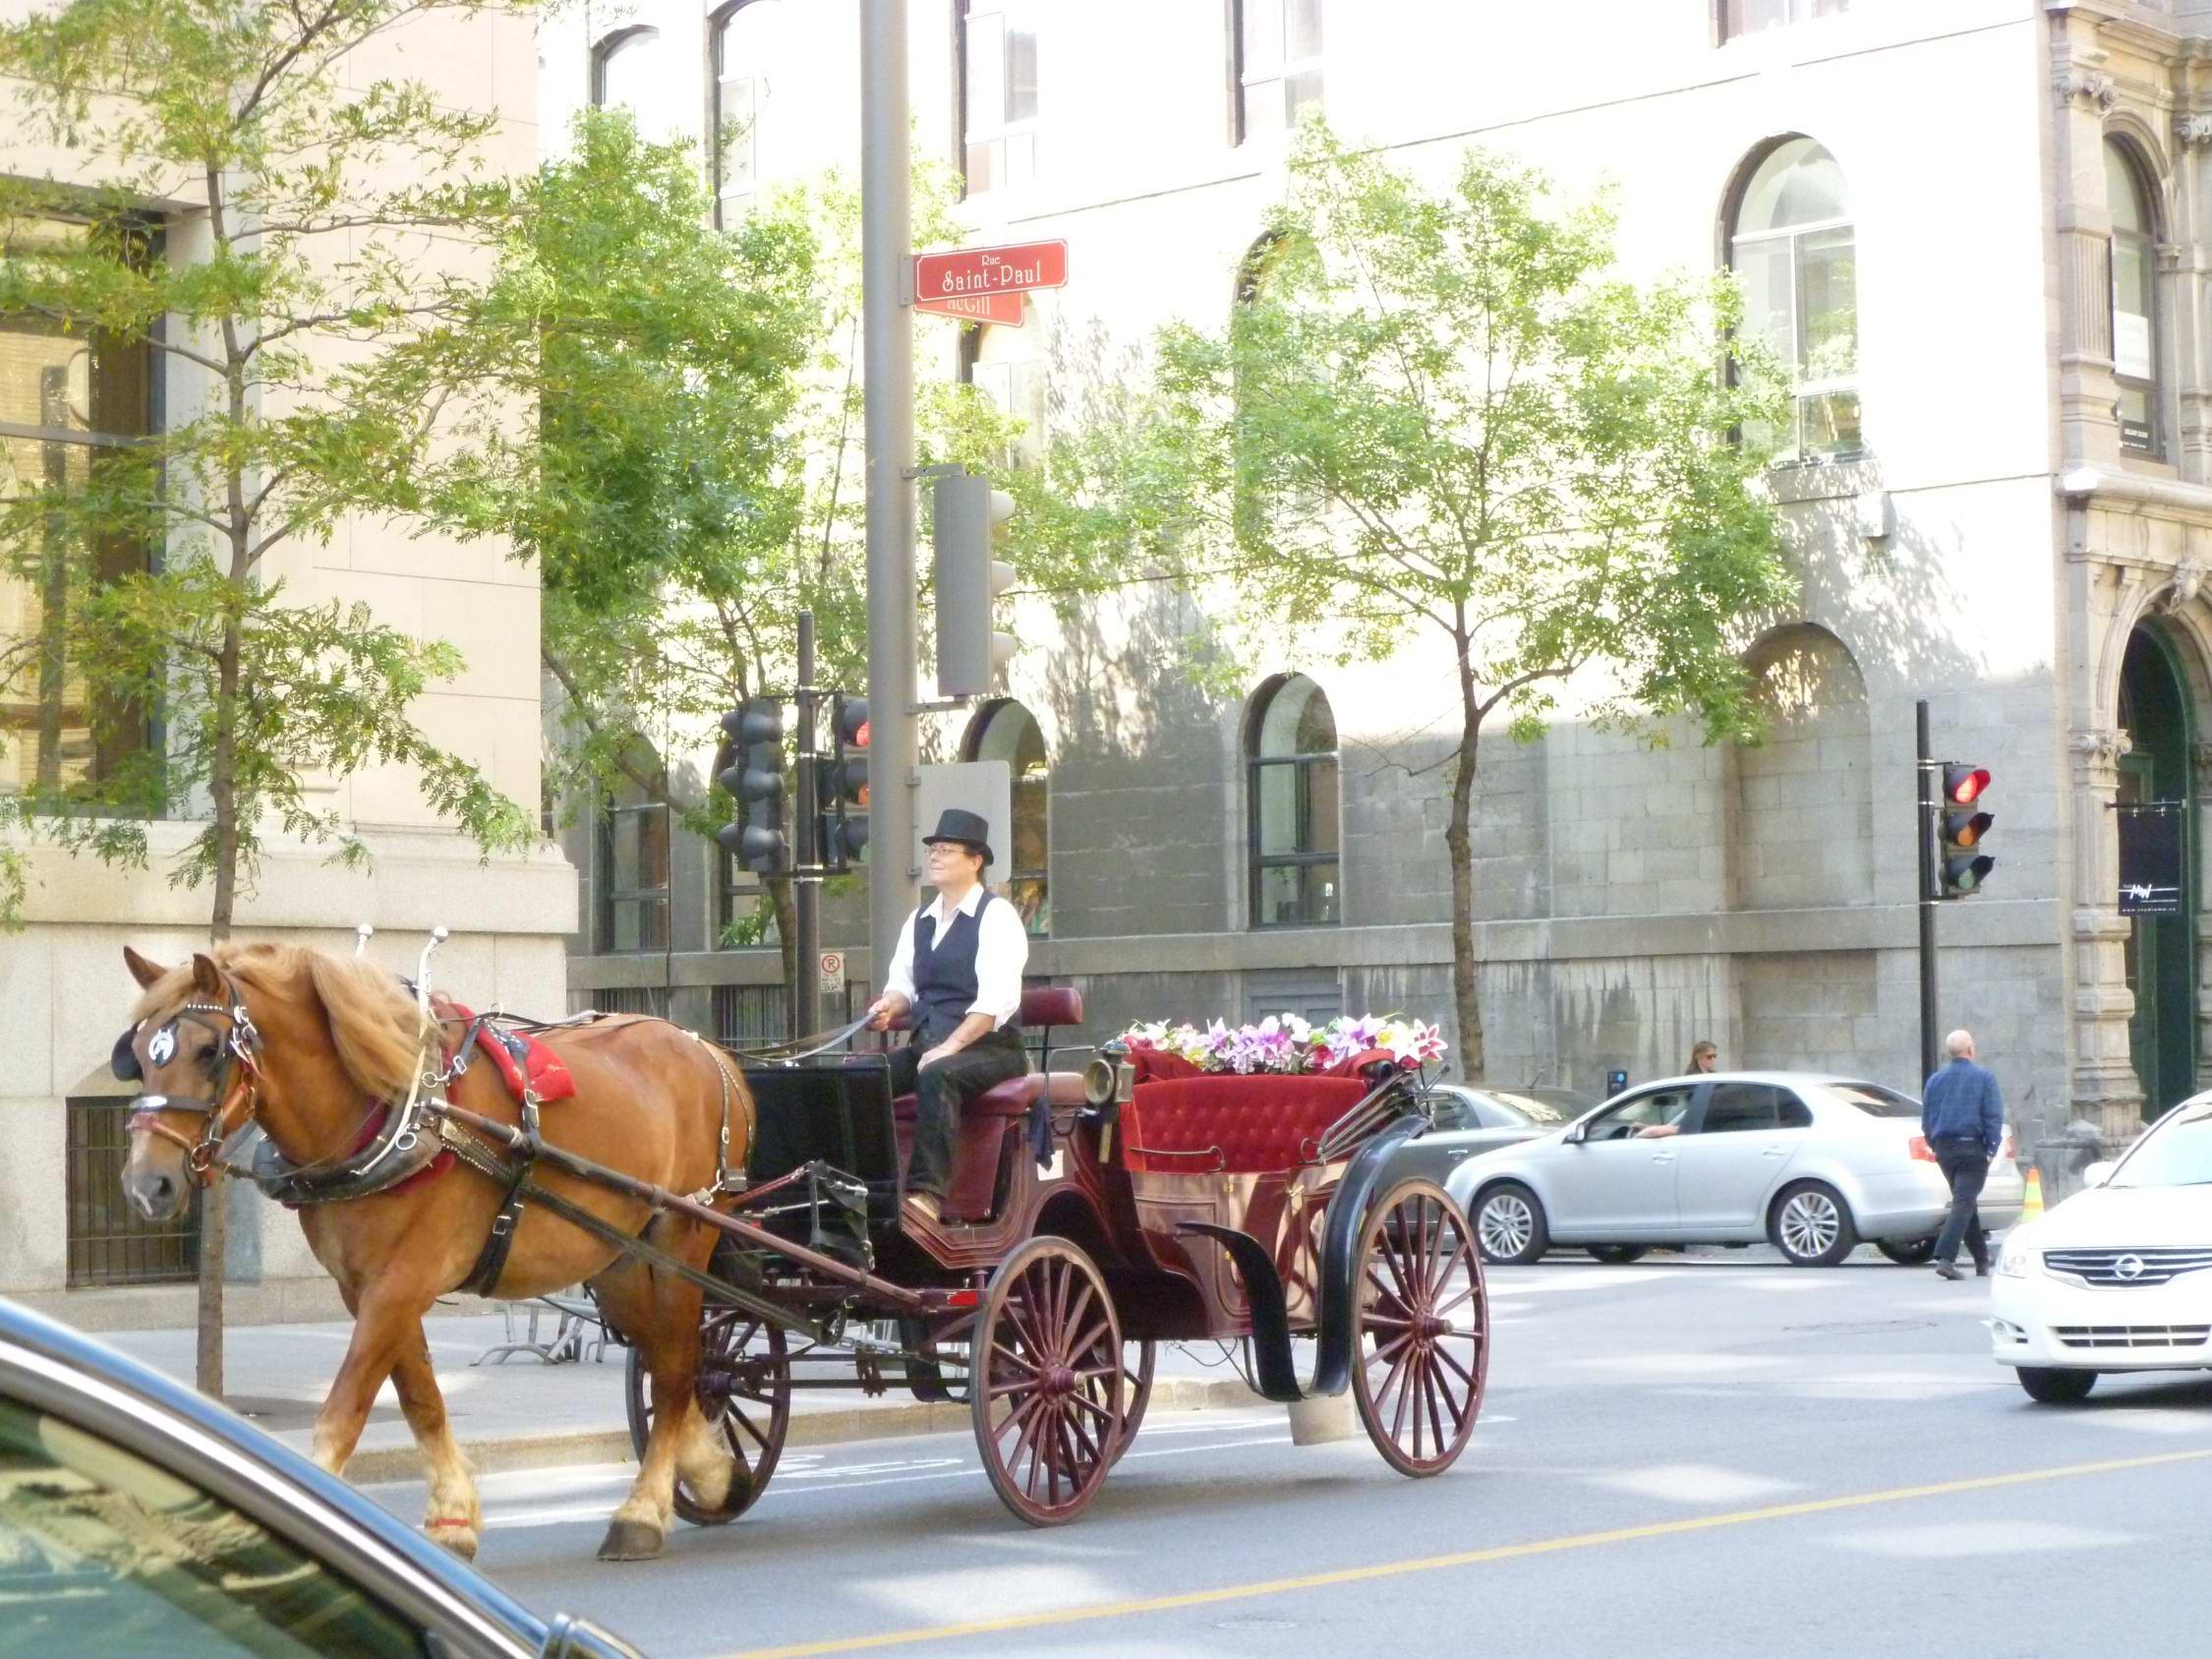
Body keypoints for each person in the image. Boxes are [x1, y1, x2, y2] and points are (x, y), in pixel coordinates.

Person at [865, 808, 1029, 1227]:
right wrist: (888, 1006)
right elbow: (902, 986)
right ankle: (867, 1185)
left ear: (975, 861)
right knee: (864, 1075)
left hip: (991, 1049)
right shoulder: (918, 920)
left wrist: (950, 1047)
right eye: (933, 849)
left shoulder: (997, 917)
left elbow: (995, 1002)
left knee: (940, 1074)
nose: (935, 857)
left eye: (946, 850)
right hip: (928, 1043)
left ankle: (926, 1195)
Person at [1921, 1028, 2003, 1279]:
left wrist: (1933, 1144)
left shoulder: (1935, 1080)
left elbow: (1927, 1118)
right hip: (1971, 1147)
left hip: (1945, 1149)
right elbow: (1993, 1115)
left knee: (1965, 1202)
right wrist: (1991, 1147)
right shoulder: (1984, 1078)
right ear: (1971, 1050)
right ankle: (1945, 1257)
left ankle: (1981, 1259)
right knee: (1964, 1201)